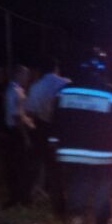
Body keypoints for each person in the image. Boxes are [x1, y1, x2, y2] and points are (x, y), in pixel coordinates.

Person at [51, 60, 112, 224]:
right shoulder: (111, 95)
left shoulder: (64, 91)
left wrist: (54, 142)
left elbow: (56, 119)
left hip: (69, 152)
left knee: (76, 186)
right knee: (102, 188)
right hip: (101, 153)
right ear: (100, 74)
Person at [25, 57, 70, 215]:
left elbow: (30, 111)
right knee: (68, 166)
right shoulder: (66, 83)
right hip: (66, 129)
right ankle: (73, 201)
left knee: (51, 167)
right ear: (56, 68)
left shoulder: (36, 87)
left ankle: (57, 204)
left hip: (44, 129)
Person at [2, 64, 35, 206]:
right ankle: (17, 197)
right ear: (18, 74)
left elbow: (22, 113)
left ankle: (22, 196)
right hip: (15, 132)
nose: (27, 78)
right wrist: (25, 136)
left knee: (22, 165)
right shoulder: (12, 91)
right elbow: (16, 116)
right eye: (25, 75)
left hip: (18, 130)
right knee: (19, 165)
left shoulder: (19, 90)